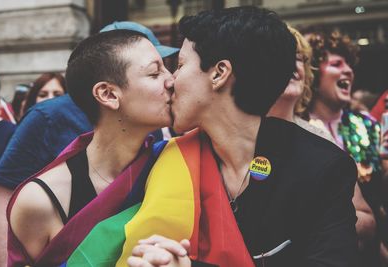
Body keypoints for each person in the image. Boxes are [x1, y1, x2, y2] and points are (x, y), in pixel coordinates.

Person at [127, 7, 357, 267]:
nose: (171, 80)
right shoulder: (169, 158)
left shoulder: (321, 168)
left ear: (219, 73)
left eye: (180, 65)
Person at [0, 22, 179, 267]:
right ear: (108, 94)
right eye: (155, 73)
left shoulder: (173, 164)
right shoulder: (42, 201)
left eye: (168, 69)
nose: (172, 80)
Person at [268, 26, 376, 259]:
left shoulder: (319, 138)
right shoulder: (244, 133)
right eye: (282, 56)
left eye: (299, 59)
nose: (293, 65)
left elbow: (367, 219)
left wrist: (325, 220)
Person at [306, 31, 384, 266]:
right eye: (337, 64)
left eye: (349, 64)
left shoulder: (367, 126)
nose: (348, 70)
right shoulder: (298, 128)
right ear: (314, 74)